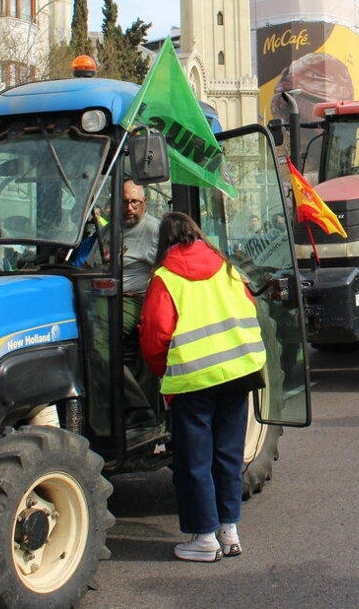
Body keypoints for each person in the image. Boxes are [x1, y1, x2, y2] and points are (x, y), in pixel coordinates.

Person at [139, 212, 266, 563]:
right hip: (238, 372)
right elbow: (249, 307)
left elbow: (155, 338)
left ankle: (204, 537)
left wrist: (163, 376)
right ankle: (230, 531)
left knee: (195, 461)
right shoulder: (227, 268)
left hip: (193, 381)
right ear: (198, 234)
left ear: (163, 242)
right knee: (227, 455)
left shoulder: (165, 278)